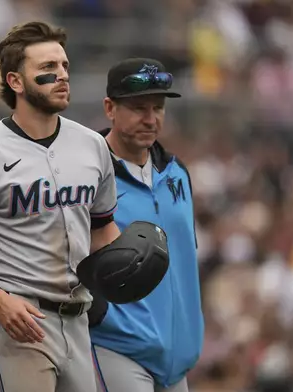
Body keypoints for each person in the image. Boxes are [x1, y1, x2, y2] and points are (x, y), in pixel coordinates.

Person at [0, 21, 125, 392]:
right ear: (16, 82)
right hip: (18, 322)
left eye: (64, 66)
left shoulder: (93, 145)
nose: (62, 76)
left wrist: (123, 270)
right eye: (47, 69)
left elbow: (102, 229)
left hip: (78, 318)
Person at [88, 58, 204, 392]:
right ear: (110, 108)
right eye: (138, 108)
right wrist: (99, 315)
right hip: (118, 347)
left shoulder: (176, 172)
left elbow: (185, 259)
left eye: (158, 107)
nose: (151, 119)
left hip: (177, 357)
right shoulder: (86, 175)